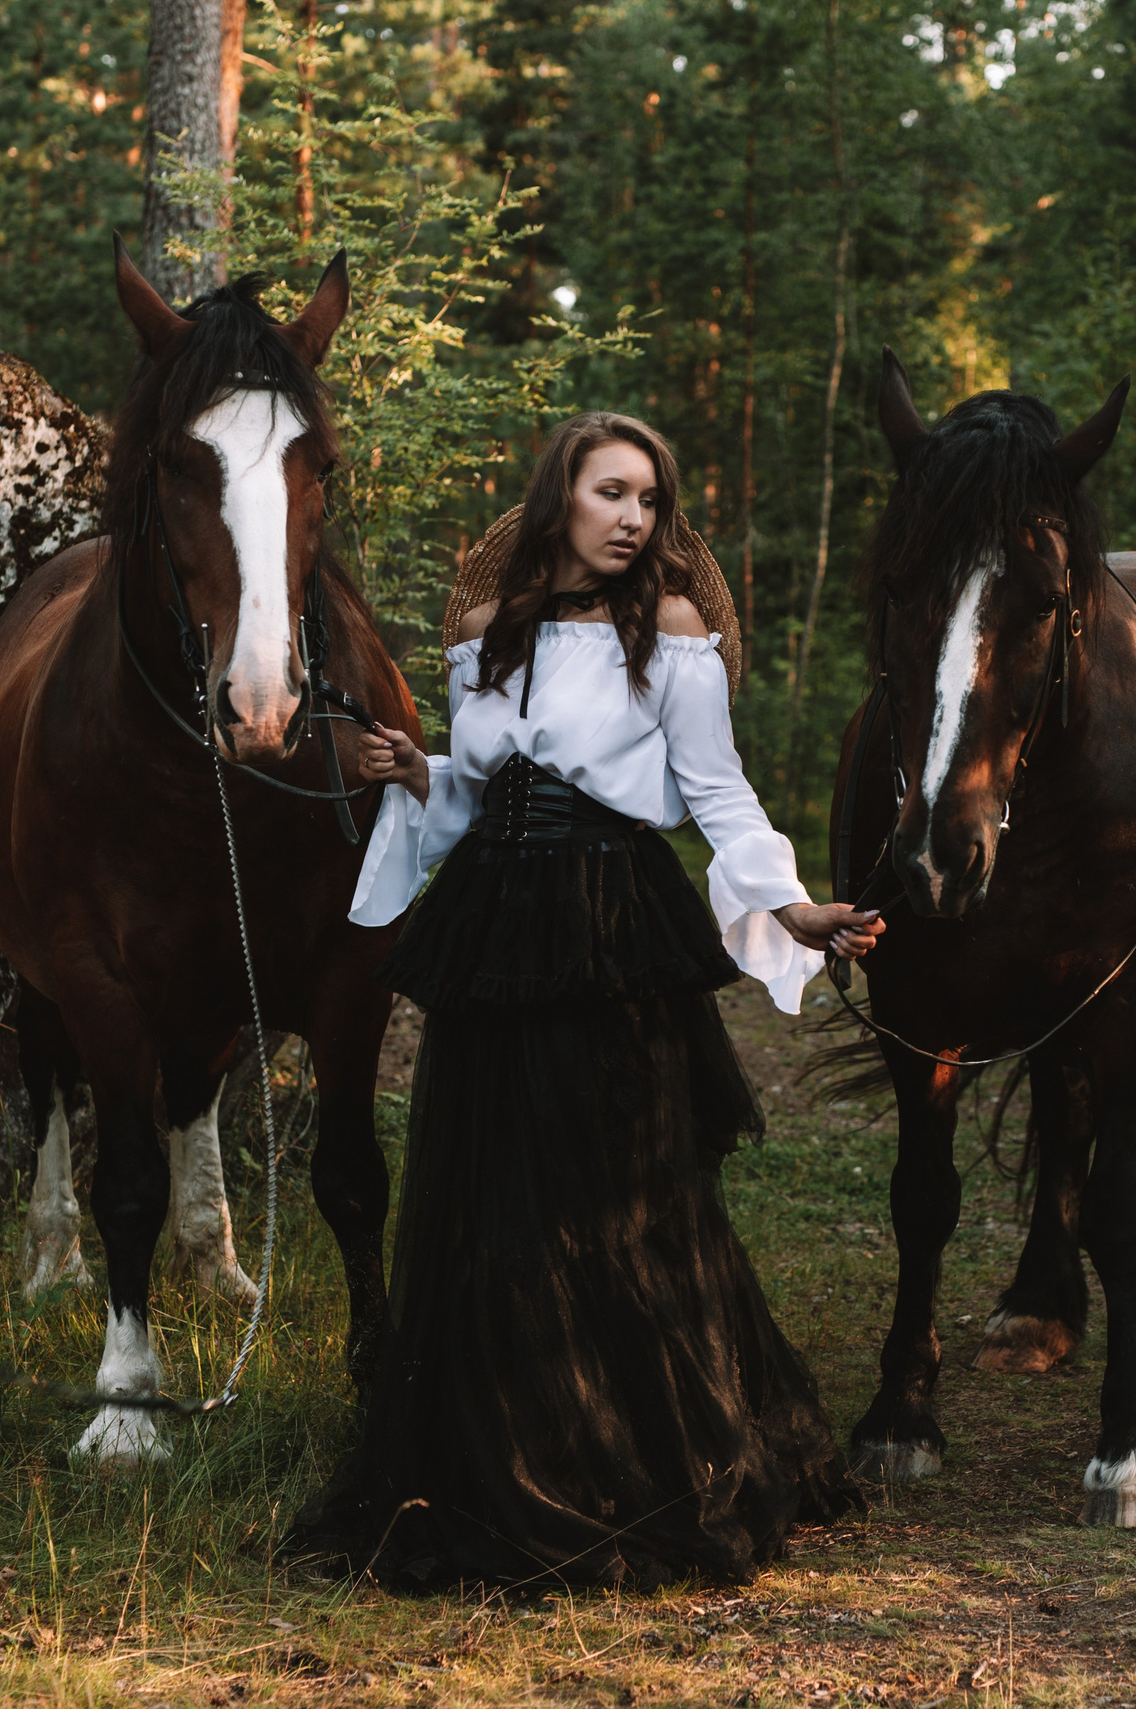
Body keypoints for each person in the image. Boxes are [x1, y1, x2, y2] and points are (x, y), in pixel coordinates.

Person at [282, 411, 885, 1591]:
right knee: (495, 1191)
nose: (633, 519)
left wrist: (791, 905)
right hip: (499, 921)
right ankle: (506, 1455)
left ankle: (640, 1468)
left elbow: (715, 788)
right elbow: (479, 791)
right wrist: (416, 770)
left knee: (622, 1189)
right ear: (561, 494)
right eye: (613, 492)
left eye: (649, 500)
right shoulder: (484, 634)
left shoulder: (672, 631)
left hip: (611, 920)